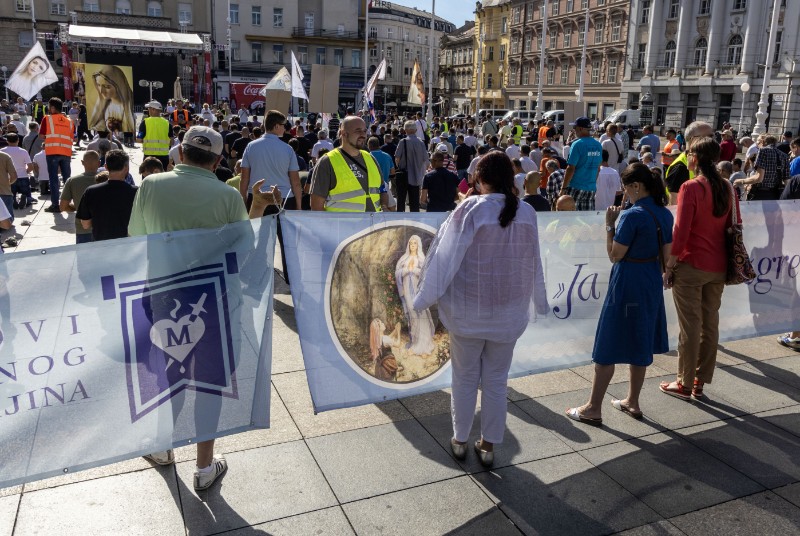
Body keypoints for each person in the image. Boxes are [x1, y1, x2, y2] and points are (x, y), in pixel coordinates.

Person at [128, 125, 280, 491]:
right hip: (214, 302)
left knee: (172, 371)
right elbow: (243, 249)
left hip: (164, 295)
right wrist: (256, 207)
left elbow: (136, 235)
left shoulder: (152, 185)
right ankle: (204, 466)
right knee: (211, 382)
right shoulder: (226, 196)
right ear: (217, 160)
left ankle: (164, 448)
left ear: (180, 151)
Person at [413, 151, 548, 466]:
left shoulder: (471, 209)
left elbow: (444, 259)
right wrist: (538, 301)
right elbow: (534, 263)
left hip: (469, 312)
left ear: (480, 179)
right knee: (497, 379)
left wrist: (423, 298)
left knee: (464, 376)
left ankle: (460, 439)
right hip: (508, 313)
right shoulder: (526, 212)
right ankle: (488, 444)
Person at [566, 163, 673, 424]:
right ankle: (632, 401)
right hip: (650, 279)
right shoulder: (664, 213)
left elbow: (615, 255)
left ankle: (593, 407)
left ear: (636, 186)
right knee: (641, 339)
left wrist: (609, 225)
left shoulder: (631, 215)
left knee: (608, 342)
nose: (624, 194)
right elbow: (666, 257)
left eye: (626, 189)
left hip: (628, 280)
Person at [661, 138, 739, 401]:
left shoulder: (691, 187)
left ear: (694, 157)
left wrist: (669, 265)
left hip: (692, 264)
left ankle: (683, 382)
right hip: (718, 264)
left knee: (690, 326)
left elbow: (681, 230)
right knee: (710, 324)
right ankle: (699, 381)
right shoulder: (727, 187)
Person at [310, 117, 388, 212]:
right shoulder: (327, 162)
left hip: (372, 225)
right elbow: (316, 206)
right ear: (344, 134)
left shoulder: (370, 158)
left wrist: (384, 207)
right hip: (341, 226)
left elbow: (382, 190)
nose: (363, 135)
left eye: (364, 131)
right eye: (358, 131)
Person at [75, 150, 136, 241]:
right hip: (128, 245)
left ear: (106, 167)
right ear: (126, 168)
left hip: (101, 245)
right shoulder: (136, 192)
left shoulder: (91, 191)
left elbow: (85, 224)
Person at [395, 235, 436, 355]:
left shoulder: (422, 259)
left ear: (418, 245)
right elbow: (397, 273)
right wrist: (406, 271)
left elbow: (426, 274)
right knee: (413, 315)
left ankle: (425, 345)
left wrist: (416, 271)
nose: (412, 246)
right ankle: (415, 342)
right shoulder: (404, 259)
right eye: (411, 243)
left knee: (421, 314)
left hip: (418, 291)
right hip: (408, 289)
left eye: (415, 243)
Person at [559, 117, 603, 211]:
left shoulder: (577, 144)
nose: (574, 131)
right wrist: (591, 183)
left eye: (575, 128)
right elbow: (598, 168)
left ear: (580, 128)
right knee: (587, 220)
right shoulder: (598, 145)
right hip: (591, 188)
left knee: (571, 219)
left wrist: (563, 188)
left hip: (576, 186)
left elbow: (570, 168)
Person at [666, 121, 714, 204]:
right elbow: (674, 206)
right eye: (708, 137)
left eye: (713, 136)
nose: (713, 140)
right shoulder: (680, 168)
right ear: (692, 139)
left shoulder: (705, 161)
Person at [40, 97, 73, 212]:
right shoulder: (69, 121)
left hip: (52, 152)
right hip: (66, 153)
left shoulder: (47, 119)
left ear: (53, 108)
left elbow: (41, 136)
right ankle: (68, 204)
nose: (48, 109)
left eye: (49, 107)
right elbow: (71, 137)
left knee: (53, 179)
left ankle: (55, 205)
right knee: (67, 179)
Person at [60, 150, 101, 243]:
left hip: (82, 229)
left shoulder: (72, 181)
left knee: (83, 257)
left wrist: (78, 208)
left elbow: (63, 206)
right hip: (104, 229)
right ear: (99, 163)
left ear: (82, 163)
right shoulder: (106, 179)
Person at [734, 134, 790, 200]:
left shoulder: (763, 151)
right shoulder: (784, 155)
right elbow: (787, 181)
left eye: (758, 142)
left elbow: (759, 178)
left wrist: (741, 181)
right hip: (776, 194)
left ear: (762, 142)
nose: (757, 145)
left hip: (761, 193)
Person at [88, 65, 135, 133]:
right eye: (98, 85)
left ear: (118, 86)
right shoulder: (105, 106)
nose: (101, 91)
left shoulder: (126, 109)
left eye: (107, 86)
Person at [394, 121, 428, 212]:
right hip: (416, 176)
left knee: (401, 201)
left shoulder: (403, 141)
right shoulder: (421, 142)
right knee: (415, 203)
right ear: (416, 130)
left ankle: (400, 222)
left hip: (403, 176)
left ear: (405, 130)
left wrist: (400, 165)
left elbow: (397, 158)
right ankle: (414, 222)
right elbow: (425, 159)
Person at [136, 100, 171, 170]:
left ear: (153, 109)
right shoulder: (167, 123)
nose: (148, 110)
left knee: (148, 178)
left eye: (149, 108)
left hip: (149, 157)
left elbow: (139, 140)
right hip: (164, 157)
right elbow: (171, 141)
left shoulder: (145, 122)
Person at [2, 133, 33, 209]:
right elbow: (30, 166)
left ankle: (13, 201)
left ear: (7, 141)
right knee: (27, 194)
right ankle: (26, 199)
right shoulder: (23, 151)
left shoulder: (2, 151)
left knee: (10, 194)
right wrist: (27, 171)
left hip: (9, 177)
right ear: (18, 140)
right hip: (22, 176)